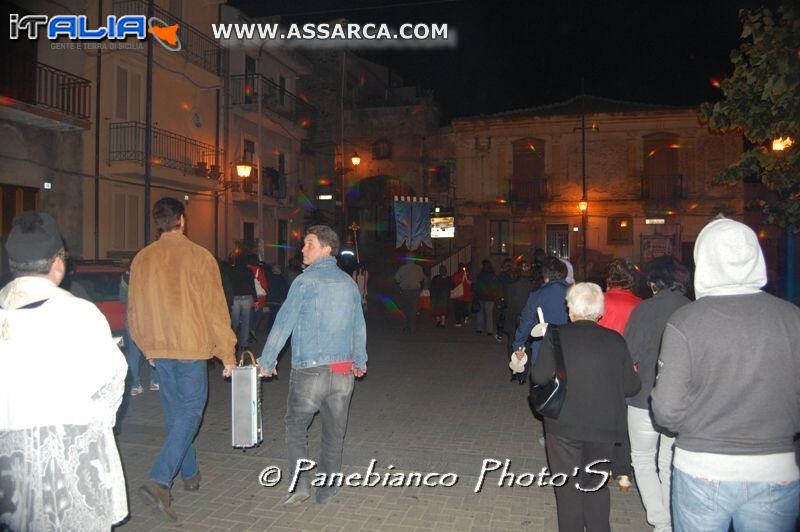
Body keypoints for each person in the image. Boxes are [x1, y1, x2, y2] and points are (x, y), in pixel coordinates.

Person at [651, 217, 800, 532]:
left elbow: (666, 411)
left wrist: (701, 425)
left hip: (702, 466)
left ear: (703, 260)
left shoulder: (687, 321)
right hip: (775, 468)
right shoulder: (792, 318)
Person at [0, 211, 128, 530]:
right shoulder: (81, 315)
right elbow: (112, 379)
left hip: (9, 466)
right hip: (74, 454)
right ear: (58, 262)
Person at [128, 197, 236, 521]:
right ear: (182, 221)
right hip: (190, 349)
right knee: (190, 413)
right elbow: (216, 310)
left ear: (157, 223)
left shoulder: (142, 259)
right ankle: (160, 480)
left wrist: (148, 347)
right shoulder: (199, 257)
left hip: (160, 350)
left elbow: (134, 312)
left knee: (178, 416)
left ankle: (190, 475)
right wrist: (227, 353)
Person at [257, 225, 367, 507]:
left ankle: (300, 485)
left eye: (309, 244)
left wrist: (267, 361)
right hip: (343, 373)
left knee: (295, 427)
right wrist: (359, 359)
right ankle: (327, 490)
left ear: (327, 249)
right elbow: (358, 325)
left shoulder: (304, 283)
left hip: (311, 370)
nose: (303, 249)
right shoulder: (348, 283)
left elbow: (283, 323)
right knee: (334, 433)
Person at [532, 282, 641, 532]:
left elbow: (538, 377)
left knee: (568, 491)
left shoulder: (556, 336)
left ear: (571, 311)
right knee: (596, 489)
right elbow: (632, 386)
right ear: (599, 312)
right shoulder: (615, 340)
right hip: (603, 429)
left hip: (563, 427)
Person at [624, 256, 691, 532]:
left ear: (653, 282)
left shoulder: (644, 310)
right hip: (682, 399)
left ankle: (660, 520)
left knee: (642, 459)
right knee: (669, 462)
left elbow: (629, 354)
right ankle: (672, 519)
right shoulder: (693, 309)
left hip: (645, 398)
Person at [597, 258, 642, 492]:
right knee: (624, 422)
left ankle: (601, 468)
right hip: (630, 370)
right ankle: (624, 471)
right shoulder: (641, 305)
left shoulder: (601, 302)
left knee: (602, 420)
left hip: (602, 369)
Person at [512, 256, 570, 370]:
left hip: (543, 348)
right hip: (569, 347)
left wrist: (518, 344)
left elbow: (527, 320)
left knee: (543, 383)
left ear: (545, 274)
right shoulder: (575, 293)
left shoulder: (538, 294)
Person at [120, 265, 158, 396]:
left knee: (133, 354)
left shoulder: (126, 278)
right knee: (154, 350)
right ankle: (155, 381)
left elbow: (122, 298)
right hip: (150, 320)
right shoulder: (151, 277)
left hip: (132, 320)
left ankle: (135, 385)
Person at [229, 252, 256, 352]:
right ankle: (244, 344)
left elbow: (229, 285)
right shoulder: (248, 270)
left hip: (235, 298)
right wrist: (256, 299)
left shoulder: (231, 270)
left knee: (234, 322)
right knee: (246, 321)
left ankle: (233, 343)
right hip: (246, 297)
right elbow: (252, 285)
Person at [395, 256, 426, 332]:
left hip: (405, 291)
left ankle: (405, 325)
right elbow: (422, 278)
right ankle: (412, 327)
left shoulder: (402, 268)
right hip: (415, 291)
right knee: (414, 309)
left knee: (405, 308)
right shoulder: (419, 268)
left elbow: (397, 279)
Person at [473, 259, 501, 337]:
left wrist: (476, 294)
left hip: (481, 296)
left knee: (480, 313)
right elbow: (496, 287)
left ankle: (479, 329)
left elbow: (476, 286)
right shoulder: (493, 276)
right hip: (490, 297)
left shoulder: (480, 275)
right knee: (489, 314)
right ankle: (489, 330)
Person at [265, 263, 289, 335]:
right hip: (277, 300)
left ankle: (269, 329)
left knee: (272, 315)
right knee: (275, 316)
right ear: (280, 271)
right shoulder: (282, 279)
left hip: (269, 299)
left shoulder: (268, 277)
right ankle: (272, 330)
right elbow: (285, 290)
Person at [450, 262, 473, 327]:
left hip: (458, 295)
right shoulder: (468, 275)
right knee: (465, 308)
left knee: (457, 309)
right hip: (466, 295)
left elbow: (452, 283)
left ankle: (458, 322)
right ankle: (465, 318)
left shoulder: (455, 275)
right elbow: (471, 283)